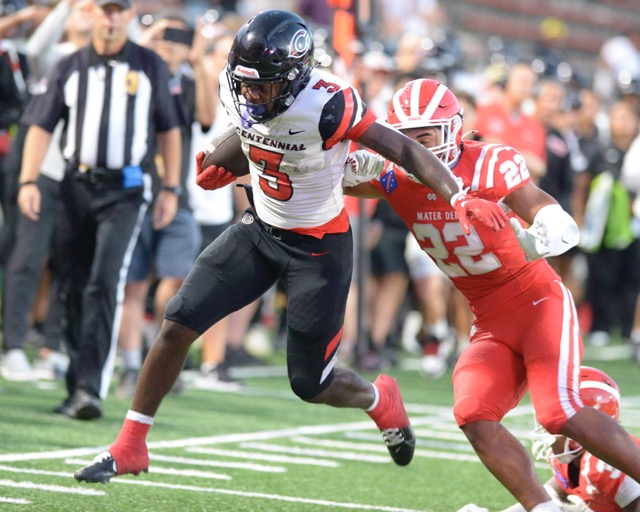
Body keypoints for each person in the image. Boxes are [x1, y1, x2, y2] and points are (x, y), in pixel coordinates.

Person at [73, 9, 507, 483]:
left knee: (310, 383)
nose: (253, 94)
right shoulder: (236, 83)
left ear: (297, 78)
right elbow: (252, 131)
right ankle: (131, 444)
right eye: (247, 85)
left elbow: (401, 149)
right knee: (178, 322)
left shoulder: (330, 104)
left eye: (265, 86)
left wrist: (457, 193)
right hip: (260, 227)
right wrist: (223, 159)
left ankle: (379, 400)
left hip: (318, 248)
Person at [343, 78, 640, 512]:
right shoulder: (390, 174)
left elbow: (553, 219)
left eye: (424, 136)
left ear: (453, 131)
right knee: (473, 411)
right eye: (404, 137)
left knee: (559, 412)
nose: (414, 148)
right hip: (488, 316)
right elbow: (326, 181)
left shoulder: (489, 163)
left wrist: (534, 233)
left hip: (537, 301)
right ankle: (544, 508)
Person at [17, 0, 182, 419]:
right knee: (71, 283)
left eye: (118, 10)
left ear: (128, 16)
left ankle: (91, 387)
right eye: (104, 9)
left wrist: (171, 189)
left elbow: (169, 129)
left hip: (125, 190)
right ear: (91, 15)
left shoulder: (148, 65)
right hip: (75, 185)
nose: (110, 18)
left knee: (104, 281)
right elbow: (39, 124)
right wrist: (29, 180)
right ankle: (76, 384)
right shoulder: (70, 66)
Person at [116, 11, 216, 398]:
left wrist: (200, 57)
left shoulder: (190, 80)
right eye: (164, 35)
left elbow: (207, 117)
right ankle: (129, 366)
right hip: (136, 189)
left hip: (179, 195)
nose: (169, 43)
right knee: (133, 284)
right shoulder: (135, 73)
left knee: (177, 279)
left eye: (177, 36)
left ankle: (158, 355)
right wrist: (146, 41)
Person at [1, 0, 93, 382]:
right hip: (45, 171)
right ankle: (12, 347)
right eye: (82, 9)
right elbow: (37, 49)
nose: (91, 12)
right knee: (28, 256)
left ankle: (51, 347)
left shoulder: (119, 63)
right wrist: (67, 6)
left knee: (68, 264)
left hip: (83, 177)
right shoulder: (59, 55)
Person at [459, 366, 640, 512]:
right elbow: (547, 498)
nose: (547, 429)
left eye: (556, 422)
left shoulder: (605, 464)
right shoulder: (571, 459)